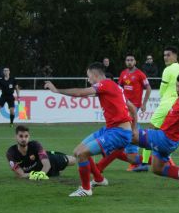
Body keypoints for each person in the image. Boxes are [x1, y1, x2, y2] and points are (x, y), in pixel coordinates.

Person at [94, 73, 179, 190]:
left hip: (164, 138)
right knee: (157, 169)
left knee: (127, 135)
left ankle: (98, 165)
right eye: (176, 86)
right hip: (171, 141)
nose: (177, 90)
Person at [44, 62, 137, 197]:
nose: (88, 80)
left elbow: (80, 93)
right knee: (77, 151)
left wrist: (57, 90)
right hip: (111, 129)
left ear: (94, 75)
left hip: (119, 133)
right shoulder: (114, 87)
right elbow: (133, 109)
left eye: (89, 77)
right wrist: (133, 129)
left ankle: (86, 189)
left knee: (83, 154)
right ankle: (99, 179)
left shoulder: (105, 84)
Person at [117, 53, 151, 171]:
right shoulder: (123, 73)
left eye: (131, 60)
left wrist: (144, 103)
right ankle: (143, 152)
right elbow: (119, 88)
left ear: (135, 61)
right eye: (127, 60)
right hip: (124, 106)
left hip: (134, 106)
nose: (129, 62)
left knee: (131, 129)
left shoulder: (140, 74)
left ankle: (134, 160)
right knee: (131, 128)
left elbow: (148, 88)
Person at [6, 125, 76, 180]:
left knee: (73, 160)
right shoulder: (11, 153)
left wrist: (40, 175)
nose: (24, 139)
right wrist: (35, 175)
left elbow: (47, 165)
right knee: (55, 173)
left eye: (26, 136)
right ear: (16, 137)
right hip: (42, 171)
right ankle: (56, 171)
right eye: (21, 136)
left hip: (51, 160)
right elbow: (21, 174)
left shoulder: (35, 145)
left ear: (29, 137)